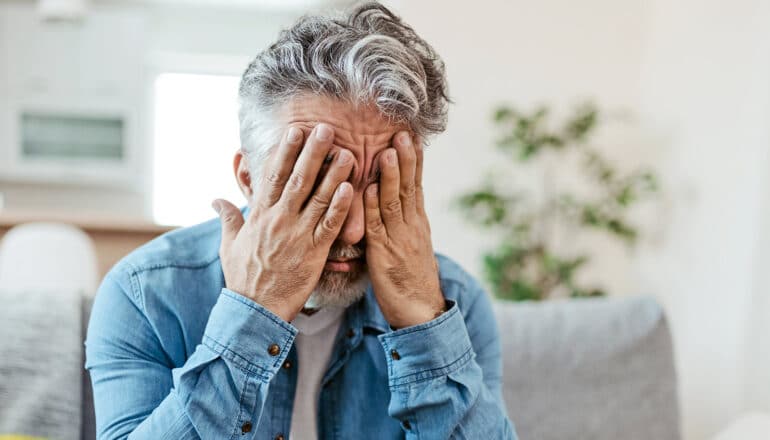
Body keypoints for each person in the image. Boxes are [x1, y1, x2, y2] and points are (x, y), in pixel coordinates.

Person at [85, 2, 517, 439]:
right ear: (249, 178)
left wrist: (423, 325)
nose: (350, 231)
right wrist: (254, 314)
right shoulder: (147, 294)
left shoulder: (454, 302)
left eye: (378, 187)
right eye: (318, 184)